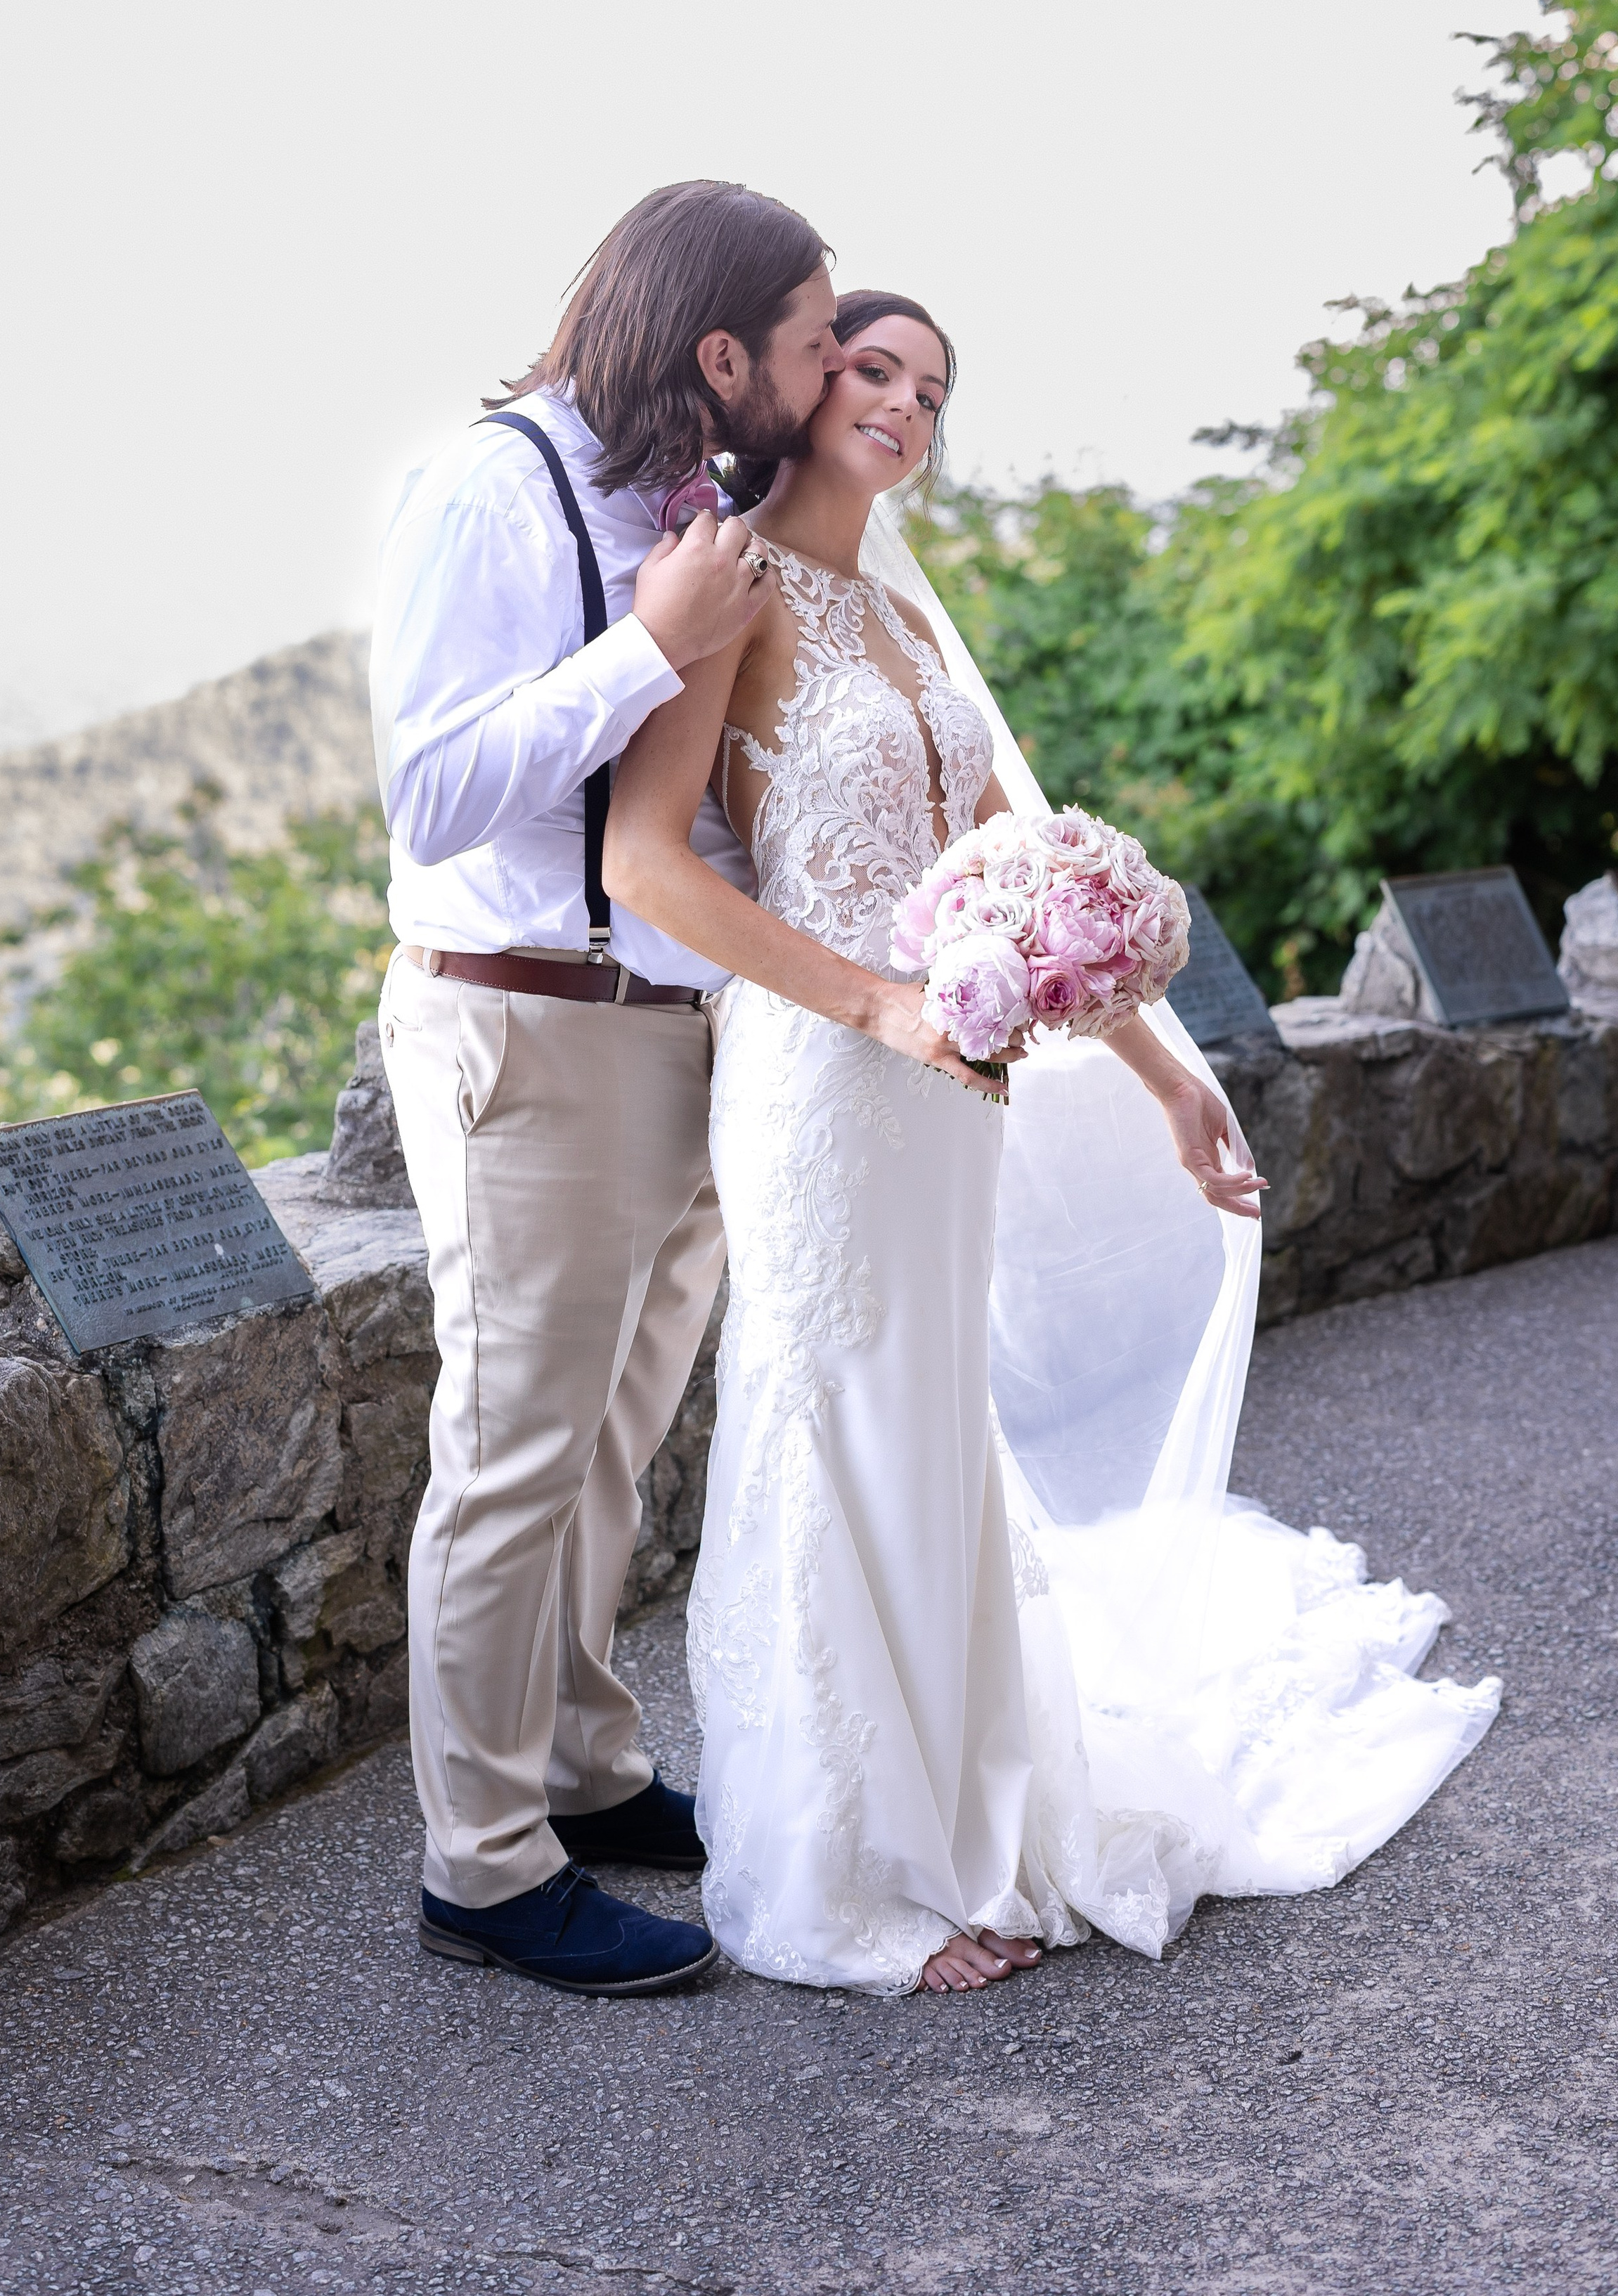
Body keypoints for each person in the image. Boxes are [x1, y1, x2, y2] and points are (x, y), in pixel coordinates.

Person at [604, 289, 1499, 1995]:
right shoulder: (729, 583)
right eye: (875, 368)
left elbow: (1028, 877)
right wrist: (873, 1007)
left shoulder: (911, 627)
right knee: (835, 1420)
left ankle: (971, 1809)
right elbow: (648, 865)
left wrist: (1166, 1078)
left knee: (935, 1426)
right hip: (821, 1075)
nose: (905, 404)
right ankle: (856, 1866)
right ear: (801, 383)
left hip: (955, 1095)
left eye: (932, 388)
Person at [370, 180, 846, 1995]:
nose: (822, 376)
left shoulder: (683, 501)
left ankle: (581, 1767)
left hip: (672, 1040)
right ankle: (480, 1864)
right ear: (722, 353)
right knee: (507, 1457)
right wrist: (646, 643)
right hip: (528, 1032)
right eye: (809, 345)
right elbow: (429, 793)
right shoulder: (490, 488)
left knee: (607, 1449)